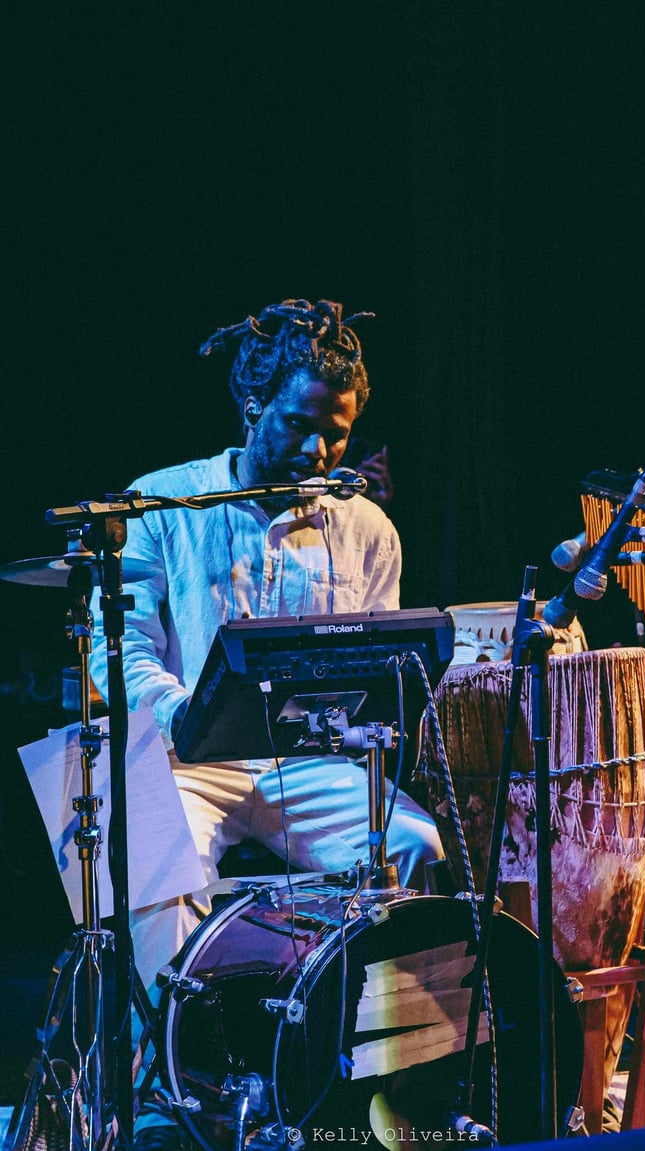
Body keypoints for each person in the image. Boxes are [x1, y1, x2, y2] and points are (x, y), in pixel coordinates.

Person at [88, 298, 443, 1148]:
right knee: (155, 851)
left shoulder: (368, 528)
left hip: (305, 764)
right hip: (189, 758)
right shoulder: (160, 503)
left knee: (415, 843)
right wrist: (184, 713)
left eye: (337, 435)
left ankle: (372, 1074)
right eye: (299, 425)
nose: (318, 451)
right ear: (254, 404)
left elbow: (373, 667)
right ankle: (174, 1084)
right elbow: (118, 650)